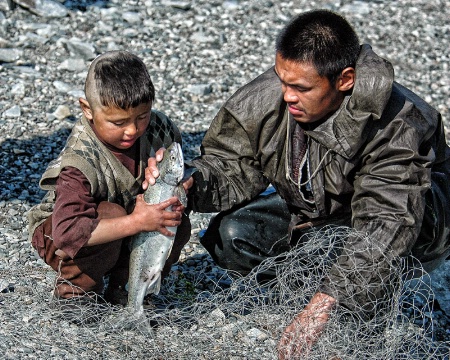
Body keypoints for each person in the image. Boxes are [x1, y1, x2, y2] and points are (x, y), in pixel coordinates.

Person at [146, 9, 450, 358]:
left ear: (345, 79)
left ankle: (347, 304)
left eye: (301, 88)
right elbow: (228, 164)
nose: (287, 95)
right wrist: (190, 182)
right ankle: (314, 294)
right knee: (231, 236)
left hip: (414, 225)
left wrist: (329, 299)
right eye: (282, 80)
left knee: (363, 276)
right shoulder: (266, 98)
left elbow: (387, 224)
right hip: (320, 210)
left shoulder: (399, 122)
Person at [28, 50, 190, 306]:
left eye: (142, 117)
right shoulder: (79, 161)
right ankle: (75, 292)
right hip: (63, 231)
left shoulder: (160, 129)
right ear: (87, 110)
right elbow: (67, 233)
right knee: (112, 214)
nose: (132, 130)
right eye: (118, 122)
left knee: (173, 216)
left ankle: (129, 288)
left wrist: (177, 186)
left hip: (126, 221)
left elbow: (186, 170)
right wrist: (137, 222)